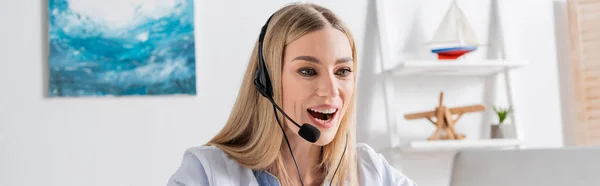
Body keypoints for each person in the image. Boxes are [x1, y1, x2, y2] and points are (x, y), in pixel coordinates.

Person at [167, 3, 417, 186]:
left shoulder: (371, 171)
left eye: (343, 71)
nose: (331, 90)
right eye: (308, 71)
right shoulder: (206, 172)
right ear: (267, 82)